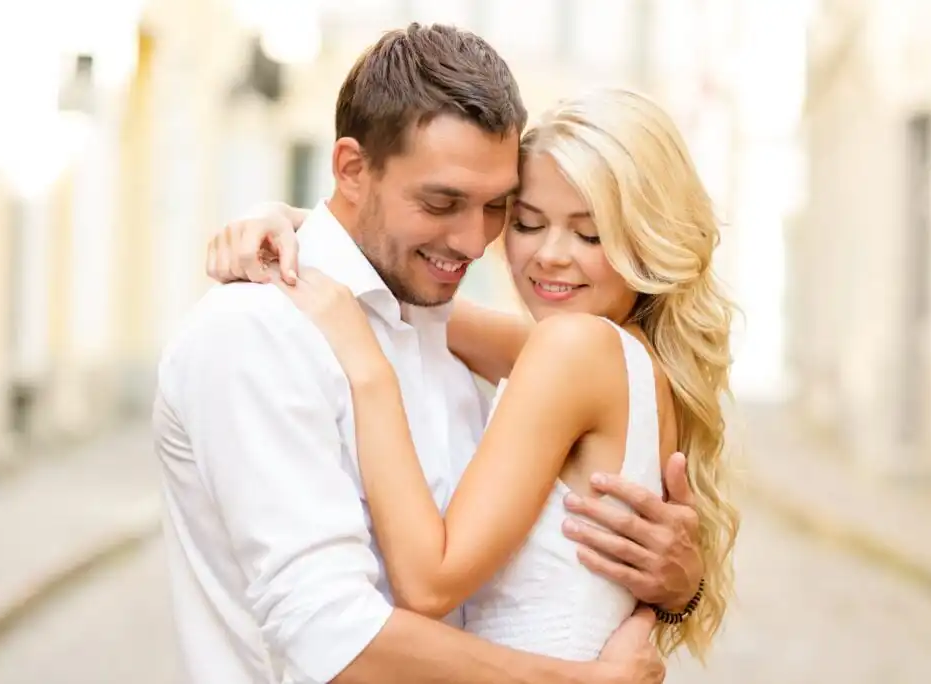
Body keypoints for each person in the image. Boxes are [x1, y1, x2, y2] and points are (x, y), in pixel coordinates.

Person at [156, 23, 698, 684]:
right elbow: (330, 633)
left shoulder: (456, 335)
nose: (474, 241)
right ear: (352, 170)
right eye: (444, 203)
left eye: (497, 208)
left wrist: (678, 589)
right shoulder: (257, 333)